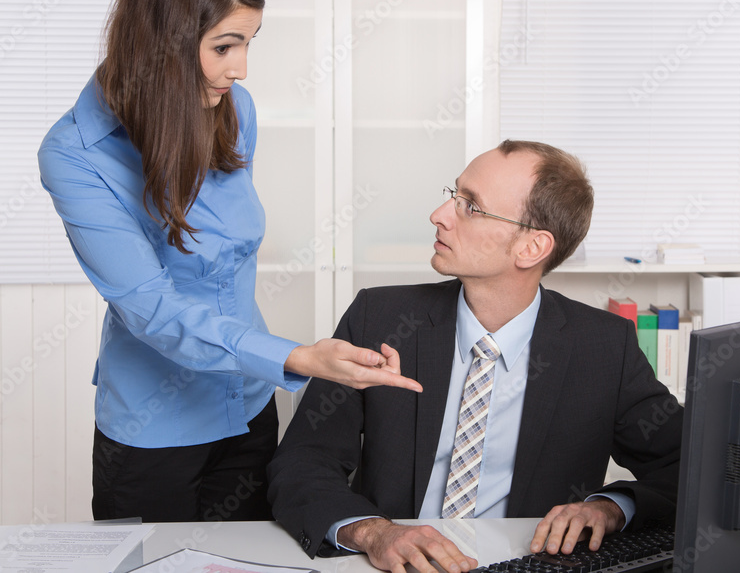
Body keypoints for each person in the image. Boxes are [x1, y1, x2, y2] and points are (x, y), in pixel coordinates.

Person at [37, 0, 420, 523]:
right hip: (152, 431)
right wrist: (299, 358)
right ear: (162, 43)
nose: (240, 68)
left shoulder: (232, 110)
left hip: (247, 402)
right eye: (224, 46)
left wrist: (283, 364)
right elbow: (155, 313)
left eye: (249, 43)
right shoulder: (75, 154)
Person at [267, 140, 683, 573]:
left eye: (471, 206)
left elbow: (689, 464)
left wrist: (610, 508)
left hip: (525, 564)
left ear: (532, 248)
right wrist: (375, 532)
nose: (439, 215)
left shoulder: (603, 347)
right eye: (454, 195)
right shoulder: (381, 318)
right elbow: (302, 460)